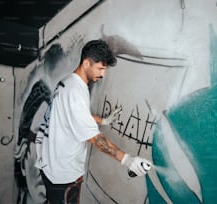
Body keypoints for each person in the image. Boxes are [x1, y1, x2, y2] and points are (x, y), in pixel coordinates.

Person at [35, 39, 152, 204]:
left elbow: (75, 116)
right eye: (100, 68)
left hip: (50, 164)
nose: (103, 74)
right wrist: (127, 160)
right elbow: (94, 138)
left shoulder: (69, 83)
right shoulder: (75, 92)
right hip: (62, 176)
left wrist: (104, 120)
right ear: (86, 63)